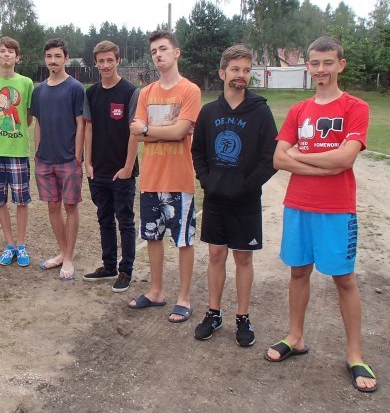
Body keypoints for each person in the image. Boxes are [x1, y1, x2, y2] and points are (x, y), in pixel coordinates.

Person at [265, 36, 377, 393]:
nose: (321, 69)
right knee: (298, 272)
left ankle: (355, 355)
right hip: (298, 205)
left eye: (328, 62)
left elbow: (345, 158)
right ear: (308, 67)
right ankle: (295, 337)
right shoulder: (299, 110)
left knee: (344, 279)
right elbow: (278, 158)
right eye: (315, 63)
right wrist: (322, 165)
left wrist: (301, 156)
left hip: (336, 209)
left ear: (340, 65)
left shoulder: (355, 107)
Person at [191, 45, 277, 346]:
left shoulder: (261, 111)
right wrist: (207, 181)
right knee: (216, 255)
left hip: (246, 200)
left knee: (243, 258)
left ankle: (243, 317)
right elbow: (198, 152)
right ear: (222, 73)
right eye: (235, 69)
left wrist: (248, 185)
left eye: (246, 70)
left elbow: (270, 158)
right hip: (216, 198)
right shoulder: (209, 112)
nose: (241, 75)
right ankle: (213, 313)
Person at [128, 30, 201, 323]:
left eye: (163, 49)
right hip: (150, 179)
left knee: (183, 241)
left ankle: (184, 298)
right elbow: (136, 133)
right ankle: (156, 292)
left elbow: (179, 131)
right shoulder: (146, 93)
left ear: (176, 52)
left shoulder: (190, 91)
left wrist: (149, 130)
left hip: (179, 180)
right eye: (154, 52)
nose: (158, 55)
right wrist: (165, 132)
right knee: (152, 237)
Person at [83, 40, 139, 293]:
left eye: (110, 60)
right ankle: (109, 266)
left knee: (124, 221)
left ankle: (126, 270)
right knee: (104, 219)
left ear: (118, 61)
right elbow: (89, 128)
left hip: (121, 172)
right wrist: (88, 163)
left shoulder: (130, 92)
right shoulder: (91, 93)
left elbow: (134, 132)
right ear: (95, 63)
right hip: (98, 171)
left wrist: (128, 167)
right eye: (101, 61)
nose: (105, 65)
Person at [32, 38, 85, 280]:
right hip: (45, 160)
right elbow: (38, 123)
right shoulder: (39, 90)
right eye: (49, 56)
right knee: (53, 207)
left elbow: (81, 124)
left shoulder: (76, 88)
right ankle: (63, 252)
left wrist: (77, 155)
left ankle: (69, 258)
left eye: (57, 56)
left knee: (70, 206)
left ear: (66, 58)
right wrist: (37, 152)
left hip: (68, 160)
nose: (53, 61)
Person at [0, 37, 34, 266]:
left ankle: (21, 245)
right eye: (2, 51)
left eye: (11, 51)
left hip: (18, 151)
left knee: (21, 200)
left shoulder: (26, 83)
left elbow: (28, 118)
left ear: (17, 57)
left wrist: (14, 130)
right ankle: (9, 244)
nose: (6, 55)